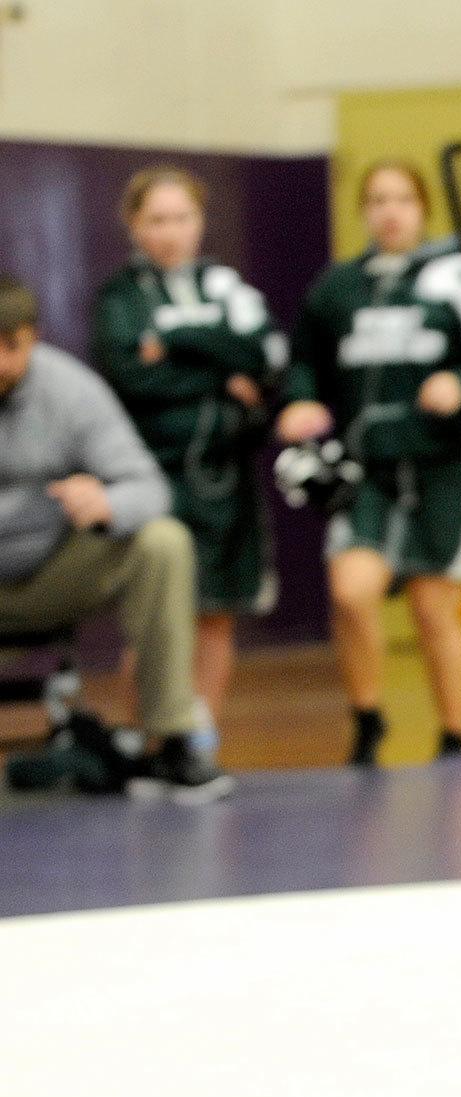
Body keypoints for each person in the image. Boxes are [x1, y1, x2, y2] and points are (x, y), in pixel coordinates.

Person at [276, 160, 461, 766]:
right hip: (368, 472)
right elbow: (304, 360)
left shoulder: (458, 280)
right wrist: (301, 400)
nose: (390, 212)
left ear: (423, 208)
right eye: (378, 200)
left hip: (440, 467)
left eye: (403, 200)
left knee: (431, 608)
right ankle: (367, 717)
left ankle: (454, 735)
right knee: (351, 590)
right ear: (363, 211)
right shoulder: (337, 288)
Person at [0, 275, 230, 799]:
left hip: (47, 575)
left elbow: (150, 488)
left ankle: (171, 739)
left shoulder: (71, 391)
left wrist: (108, 503)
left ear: (28, 340)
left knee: (161, 542)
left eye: (3, 349)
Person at [92, 167, 284, 747]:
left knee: (216, 613)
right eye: (157, 220)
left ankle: (199, 743)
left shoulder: (227, 288)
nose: (171, 232)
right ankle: (138, 735)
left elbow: (266, 356)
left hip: (226, 477)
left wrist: (177, 344)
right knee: (157, 618)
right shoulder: (120, 297)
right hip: (159, 475)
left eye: (182, 218)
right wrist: (222, 376)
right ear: (133, 224)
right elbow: (128, 377)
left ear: (200, 222)